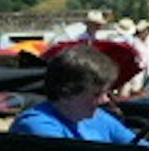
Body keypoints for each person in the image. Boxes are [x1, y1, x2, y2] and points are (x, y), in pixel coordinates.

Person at [10, 45, 139, 143]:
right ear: (66, 93)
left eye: (107, 93)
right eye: (96, 94)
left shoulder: (99, 119)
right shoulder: (36, 126)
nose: (105, 100)